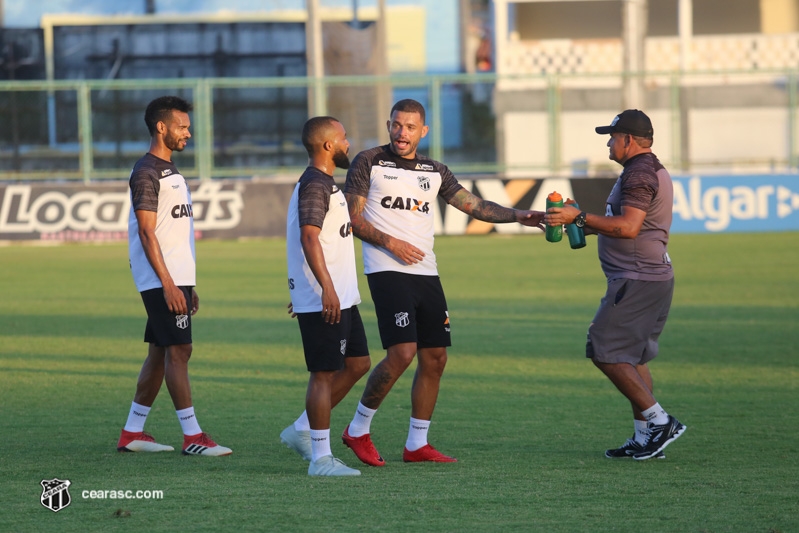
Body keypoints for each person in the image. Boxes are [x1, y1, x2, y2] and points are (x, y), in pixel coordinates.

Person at [341, 99, 545, 465]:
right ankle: (357, 429)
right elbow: (354, 220)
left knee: (434, 358)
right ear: (389, 125)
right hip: (387, 269)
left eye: (411, 127)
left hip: (426, 273)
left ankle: (417, 444)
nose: (403, 134)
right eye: (397, 126)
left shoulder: (435, 170)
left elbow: (475, 206)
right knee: (402, 353)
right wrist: (392, 243)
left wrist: (520, 216)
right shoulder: (368, 161)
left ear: (424, 131)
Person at [544, 109, 686, 461]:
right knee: (632, 357)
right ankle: (645, 438)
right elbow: (618, 223)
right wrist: (582, 223)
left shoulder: (639, 172)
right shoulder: (648, 169)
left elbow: (629, 227)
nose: (608, 143)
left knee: (604, 349)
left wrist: (577, 217)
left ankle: (659, 421)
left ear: (628, 140)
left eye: (612, 136)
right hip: (650, 277)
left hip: (637, 279)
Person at [118, 96, 231, 456]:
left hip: (173, 278)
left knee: (159, 353)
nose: (189, 132)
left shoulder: (170, 170)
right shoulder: (147, 171)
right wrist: (168, 283)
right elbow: (148, 232)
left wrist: (187, 284)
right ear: (161, 128)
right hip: (159, 278)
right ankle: (193, 437)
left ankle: (132, 432)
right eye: (182, 126)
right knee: (181, 350)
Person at [281, 116, 370, 476]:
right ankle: (320, 459)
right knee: (323, 373)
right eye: (344, 138)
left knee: (358, 364)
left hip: (340, 295)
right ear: (328, 146)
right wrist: (323, 288)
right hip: (327, 296)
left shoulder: (325, 183)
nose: (348, 144)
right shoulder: (315, 183)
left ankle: (303, 427)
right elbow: (308, 236)